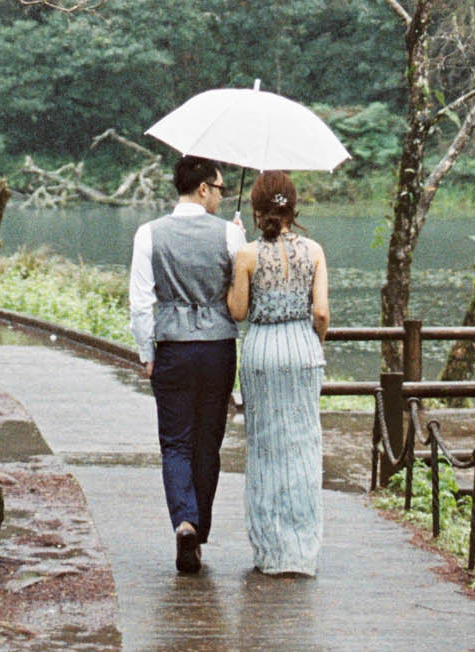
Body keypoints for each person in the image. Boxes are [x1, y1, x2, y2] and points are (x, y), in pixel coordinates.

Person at [129, 153, 245, 573]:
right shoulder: (229, 237)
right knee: (208, 442)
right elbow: (238, 301)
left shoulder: (149, 233)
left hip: (173, 348)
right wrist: (239, 244)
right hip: (217, 349)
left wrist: (148, 353)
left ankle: (184, 521)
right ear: (201, 188)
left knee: (175, 442)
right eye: (218, 188)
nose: (220, 196)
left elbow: (140, 303)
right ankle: (200, 526)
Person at [226, 168, 329, 577]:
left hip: (263, 350)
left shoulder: (248, 254)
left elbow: (237, 311)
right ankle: (301, 551)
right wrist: (314, 342)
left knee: (266, 447)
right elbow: (321, 311)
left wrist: (235, 250)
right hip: (302, 348)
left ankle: (270, 551)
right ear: (293, 205)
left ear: (255, 209)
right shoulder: (315, 250)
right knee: (303, 446)